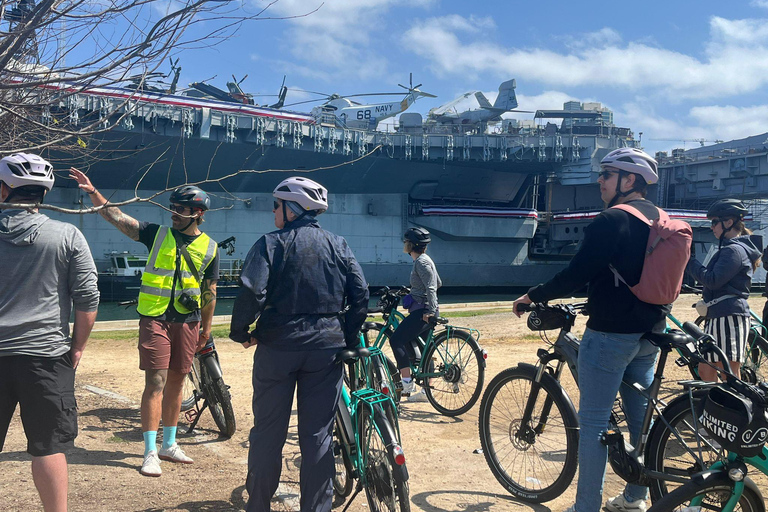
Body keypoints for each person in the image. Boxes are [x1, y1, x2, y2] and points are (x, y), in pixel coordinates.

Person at [512, 148, 676, 512]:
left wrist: (531, 296)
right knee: (640, 422)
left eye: (606, 174)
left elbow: (575, 274)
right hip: (650, 334)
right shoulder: (662, 220)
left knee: (594, 425)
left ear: (628, 180)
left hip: (609, 336)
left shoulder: (612, 220)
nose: (598, 180)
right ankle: (636, 497)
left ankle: (585, 507)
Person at [229, 176, 368, 512]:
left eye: (276, 205)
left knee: (268, 433)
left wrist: (240, 331)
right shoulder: (339, 244)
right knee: (318, 436)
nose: (273, 211)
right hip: (326, 350)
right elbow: (360, 293)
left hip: (277, 346)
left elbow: (251, 291)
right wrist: (347, 338)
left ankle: (259, 505)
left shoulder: (270, 244)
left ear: (292, 209)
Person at [69, 168, 218, 477]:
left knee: (177, 380)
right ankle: (150, 451)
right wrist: (93, 192)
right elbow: (119, 218)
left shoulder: (211, 248)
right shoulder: (157, 233)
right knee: (156, 382)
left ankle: (169, 443)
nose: (173, 212)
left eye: (181, 208)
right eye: (172, 207)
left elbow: (210, 292)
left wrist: (206, 328)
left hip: (188, 321)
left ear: (198, 214)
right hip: (155, 318)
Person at [0, 154, 99, 512]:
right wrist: (77, 347)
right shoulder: (66, 235)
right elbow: (88, 298)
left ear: (4, 190)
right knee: (48, 446)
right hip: (45, 355)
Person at [686, 199, 761, 381]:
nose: (712, 227)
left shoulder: (733, 251)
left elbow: (713, 280)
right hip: (722, 314)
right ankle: (716, 408)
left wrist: (689, 260)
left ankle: (733, 409)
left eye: (714, 222)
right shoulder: (736, 249)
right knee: (708, 370)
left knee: (728, 373)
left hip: (728, 316)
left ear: (729, 223)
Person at [389, 227, 442, 402]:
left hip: (423, 312)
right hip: (425, 308)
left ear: (410, 245)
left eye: (405, 242)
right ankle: (427, 392)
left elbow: (432, 287)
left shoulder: (421, 262)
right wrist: (413, 290)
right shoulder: (426, 260)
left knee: (396, 340)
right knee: (428, 348)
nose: (404, 245)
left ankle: (406, 383)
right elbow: (438, 282)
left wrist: (430, 311)